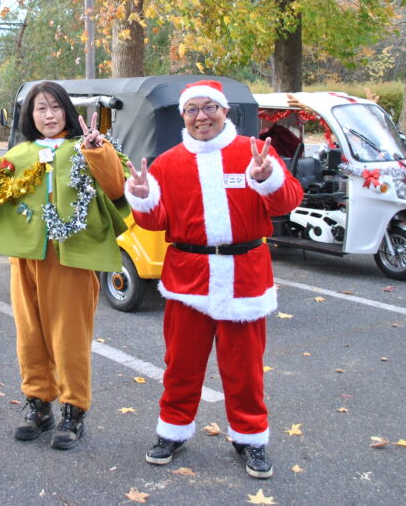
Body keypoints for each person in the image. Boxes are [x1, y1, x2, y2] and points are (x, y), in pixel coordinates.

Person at [124, 80, 303, 479]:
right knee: (180, 365)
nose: (201, 116)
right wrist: (142, 197)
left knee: (245, 368)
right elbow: (157, 222)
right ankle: (172, 431)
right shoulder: (168, 162)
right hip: (188, 278)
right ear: (182, 116)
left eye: (209, 108)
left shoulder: (254, 152)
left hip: (245, 277)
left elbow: (288, 201)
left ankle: (250, 438)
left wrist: (267, 175)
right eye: (192, 110)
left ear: (225, 111)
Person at [0, 81, 129, 450]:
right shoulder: (20, 154)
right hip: (27, 258)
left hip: (73, 257)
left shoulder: (87, 147)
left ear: (67, 110)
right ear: (29, 116)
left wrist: (98, 150)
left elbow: (115, 188)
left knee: (69, 337)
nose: (48, 115)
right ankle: (38, 405)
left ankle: (74, 409)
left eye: (55, 107)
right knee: (30, 335)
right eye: (40, 109)